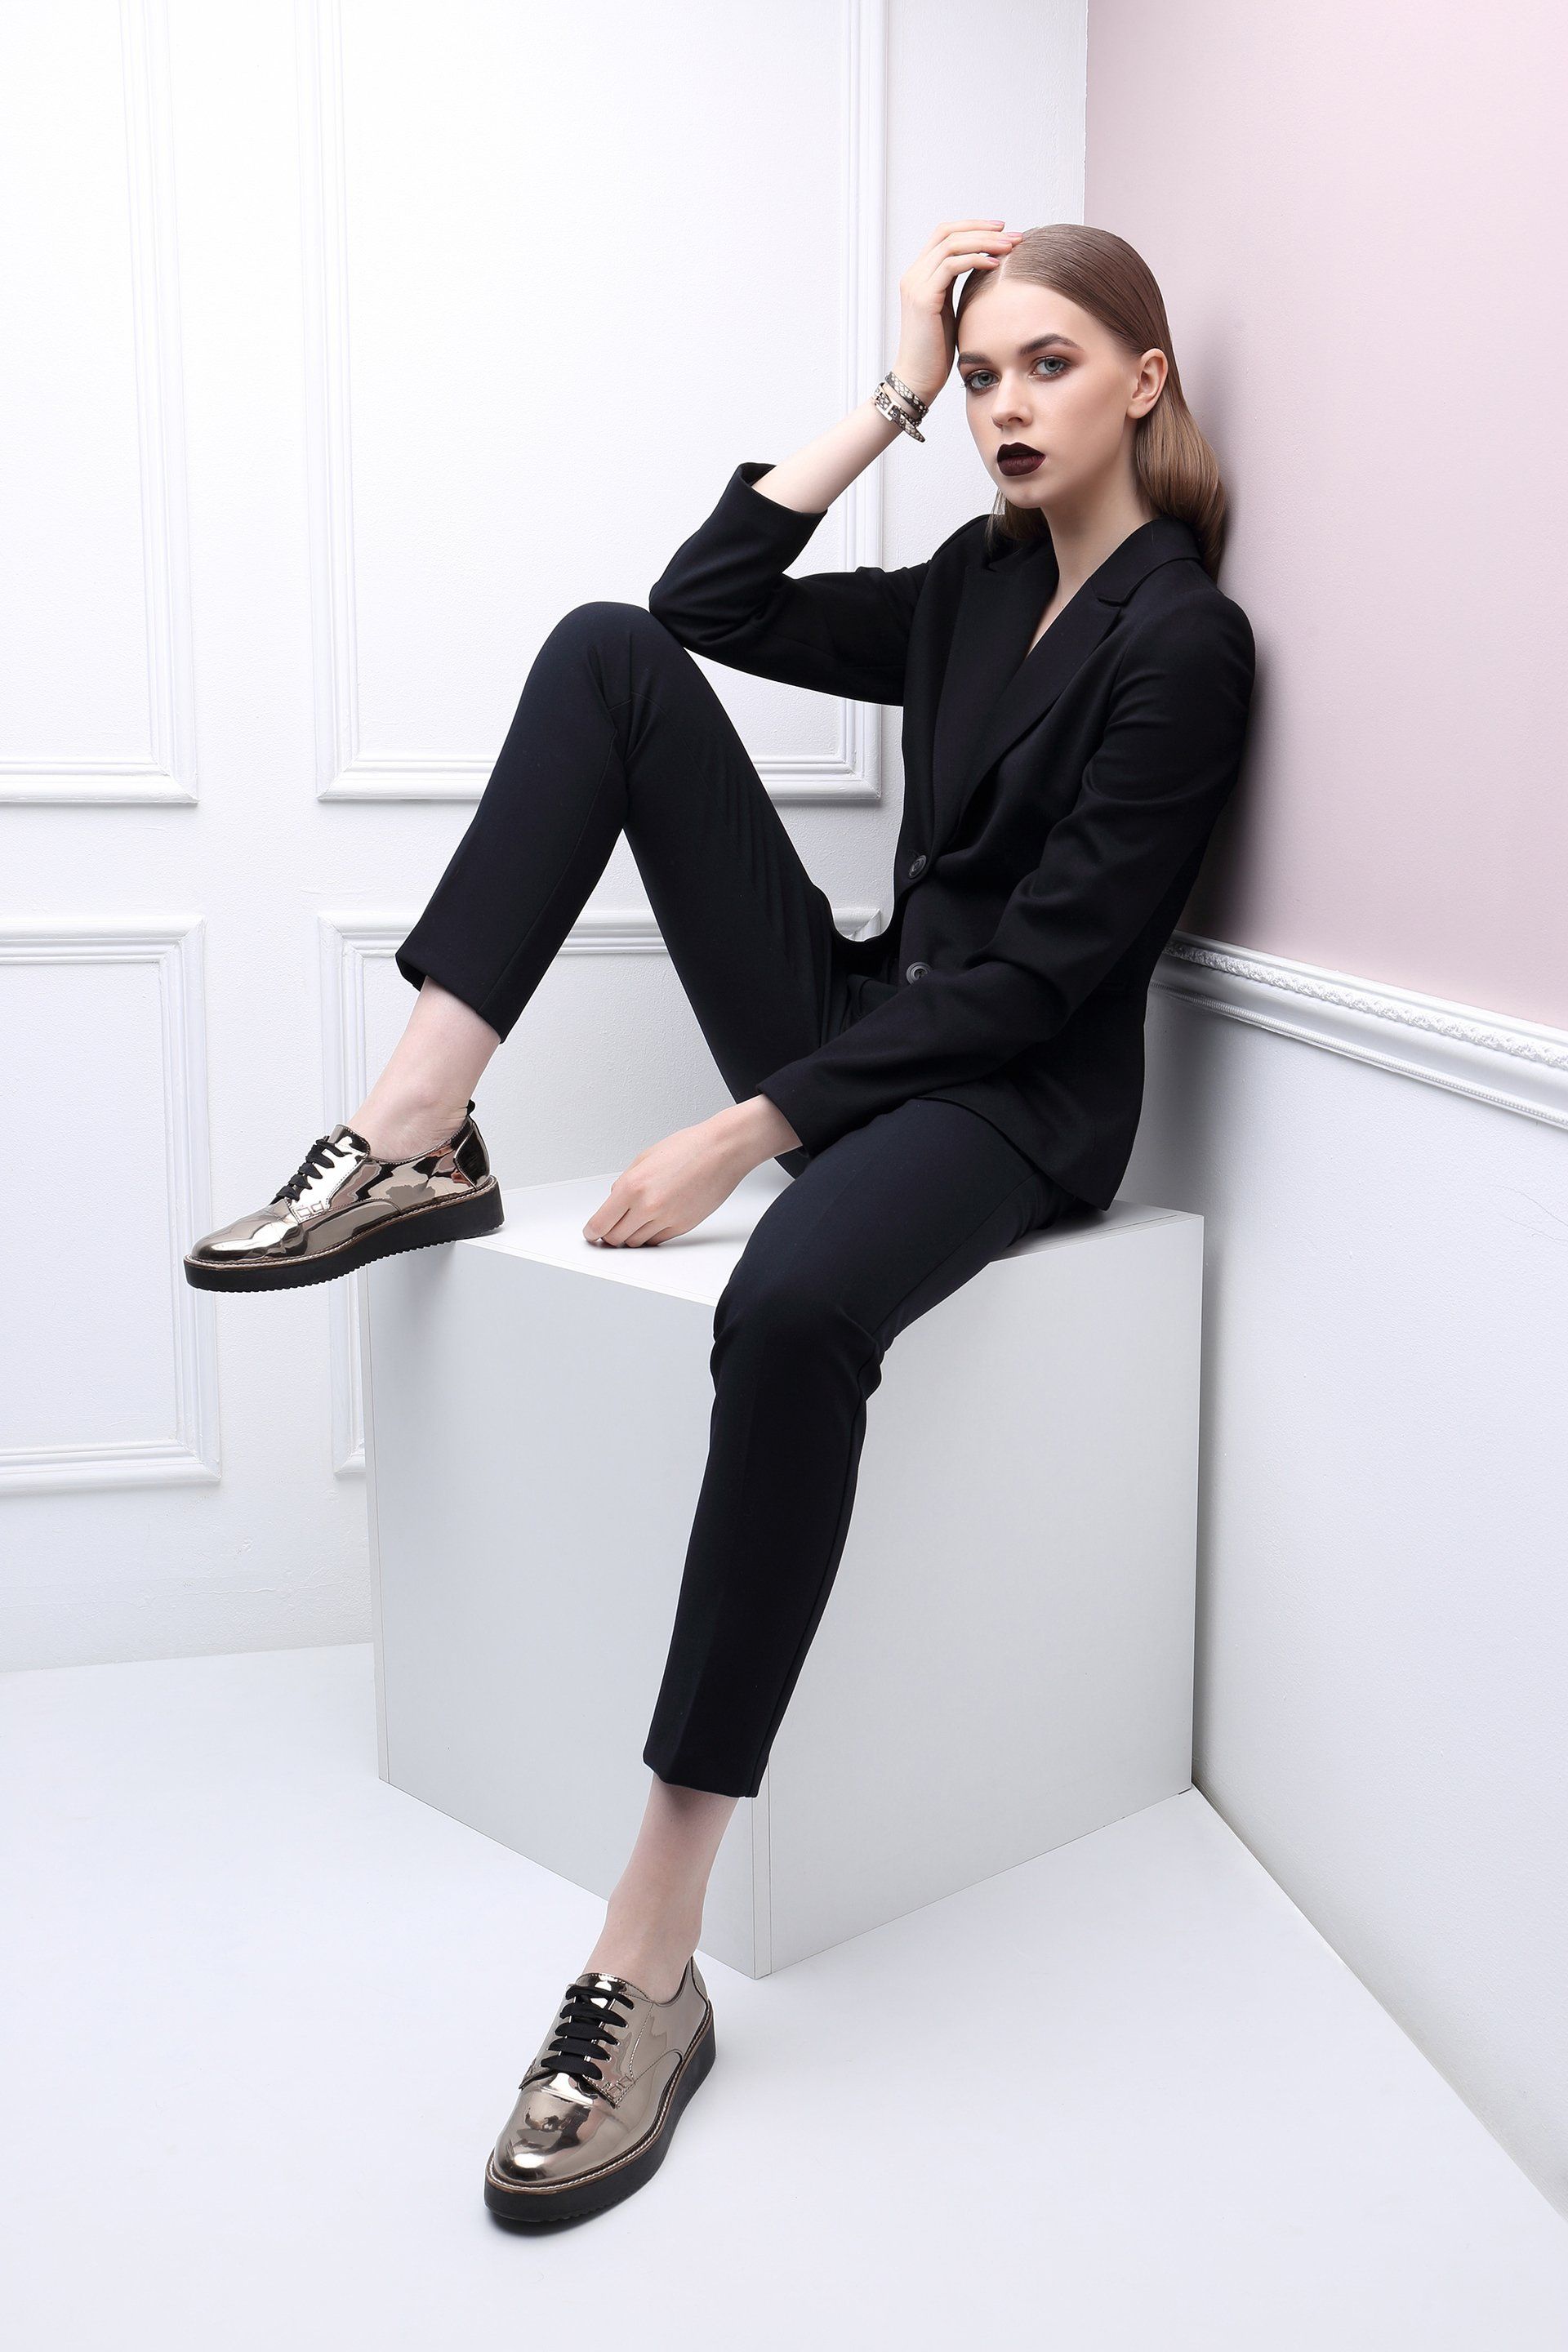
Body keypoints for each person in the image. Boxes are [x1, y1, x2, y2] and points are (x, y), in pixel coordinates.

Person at [185, 219, 1256, 2225]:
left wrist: (743, 1129)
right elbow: (710, 599)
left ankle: (650, 1949)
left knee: (785, 1308)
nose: (1008, 406)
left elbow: (1048, 979)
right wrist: (895, 386)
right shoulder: (973, 582)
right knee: (611, 645)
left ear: (1144, 381)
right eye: (988, 375)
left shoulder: (1185, 643)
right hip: (870, 1021)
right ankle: (414, 1125)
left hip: (1014, 1100)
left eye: (1046, 366)